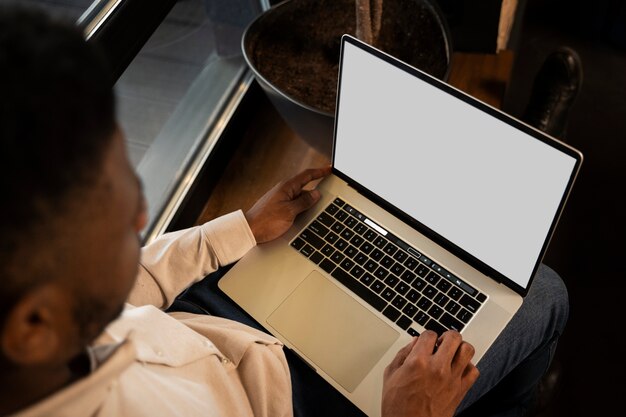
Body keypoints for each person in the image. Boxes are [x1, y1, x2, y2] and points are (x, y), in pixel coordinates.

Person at [0, 6, 569, 417]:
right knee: (542, 293)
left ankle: (506, 193)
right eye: (113, 221)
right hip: (297, 404)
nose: (140, 216)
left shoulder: (38, 302)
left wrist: (239, 230)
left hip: (209, 319)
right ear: (31, 326)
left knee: (363, 218)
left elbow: (136, 281)